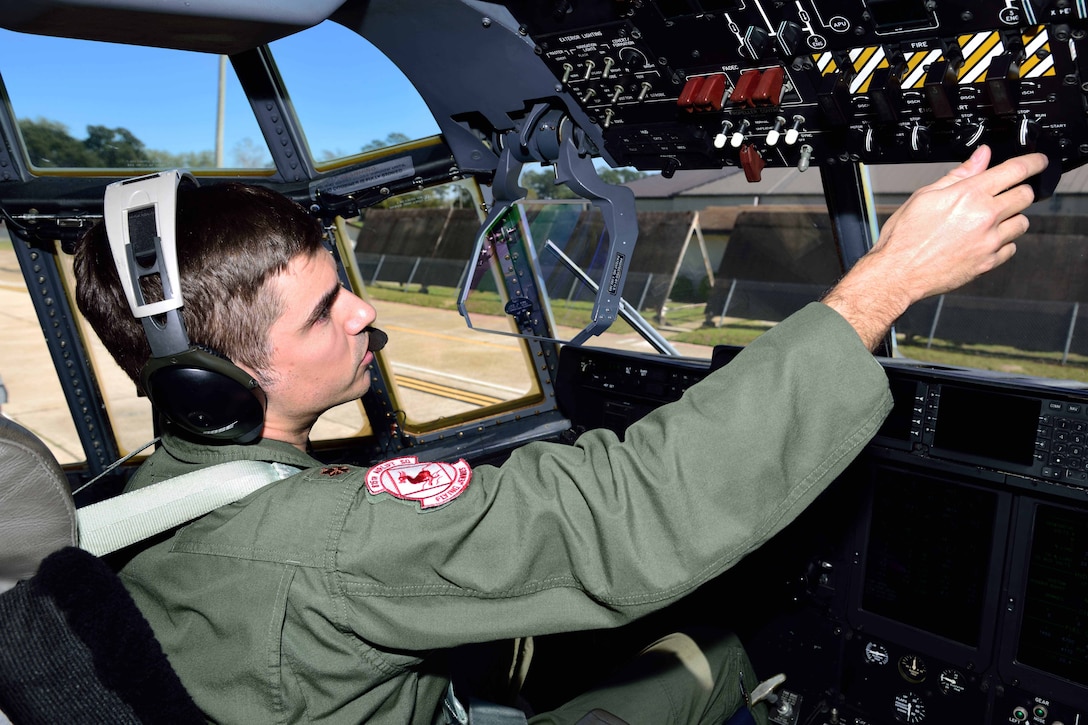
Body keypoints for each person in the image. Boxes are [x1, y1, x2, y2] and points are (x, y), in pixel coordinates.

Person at [74, 146, 1047, 724]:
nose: (366, 312)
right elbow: (631, 512)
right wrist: (883, 280)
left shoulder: (136, 497)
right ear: (213, 379)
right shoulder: (326, 539)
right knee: (720, 653)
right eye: (326, 308)